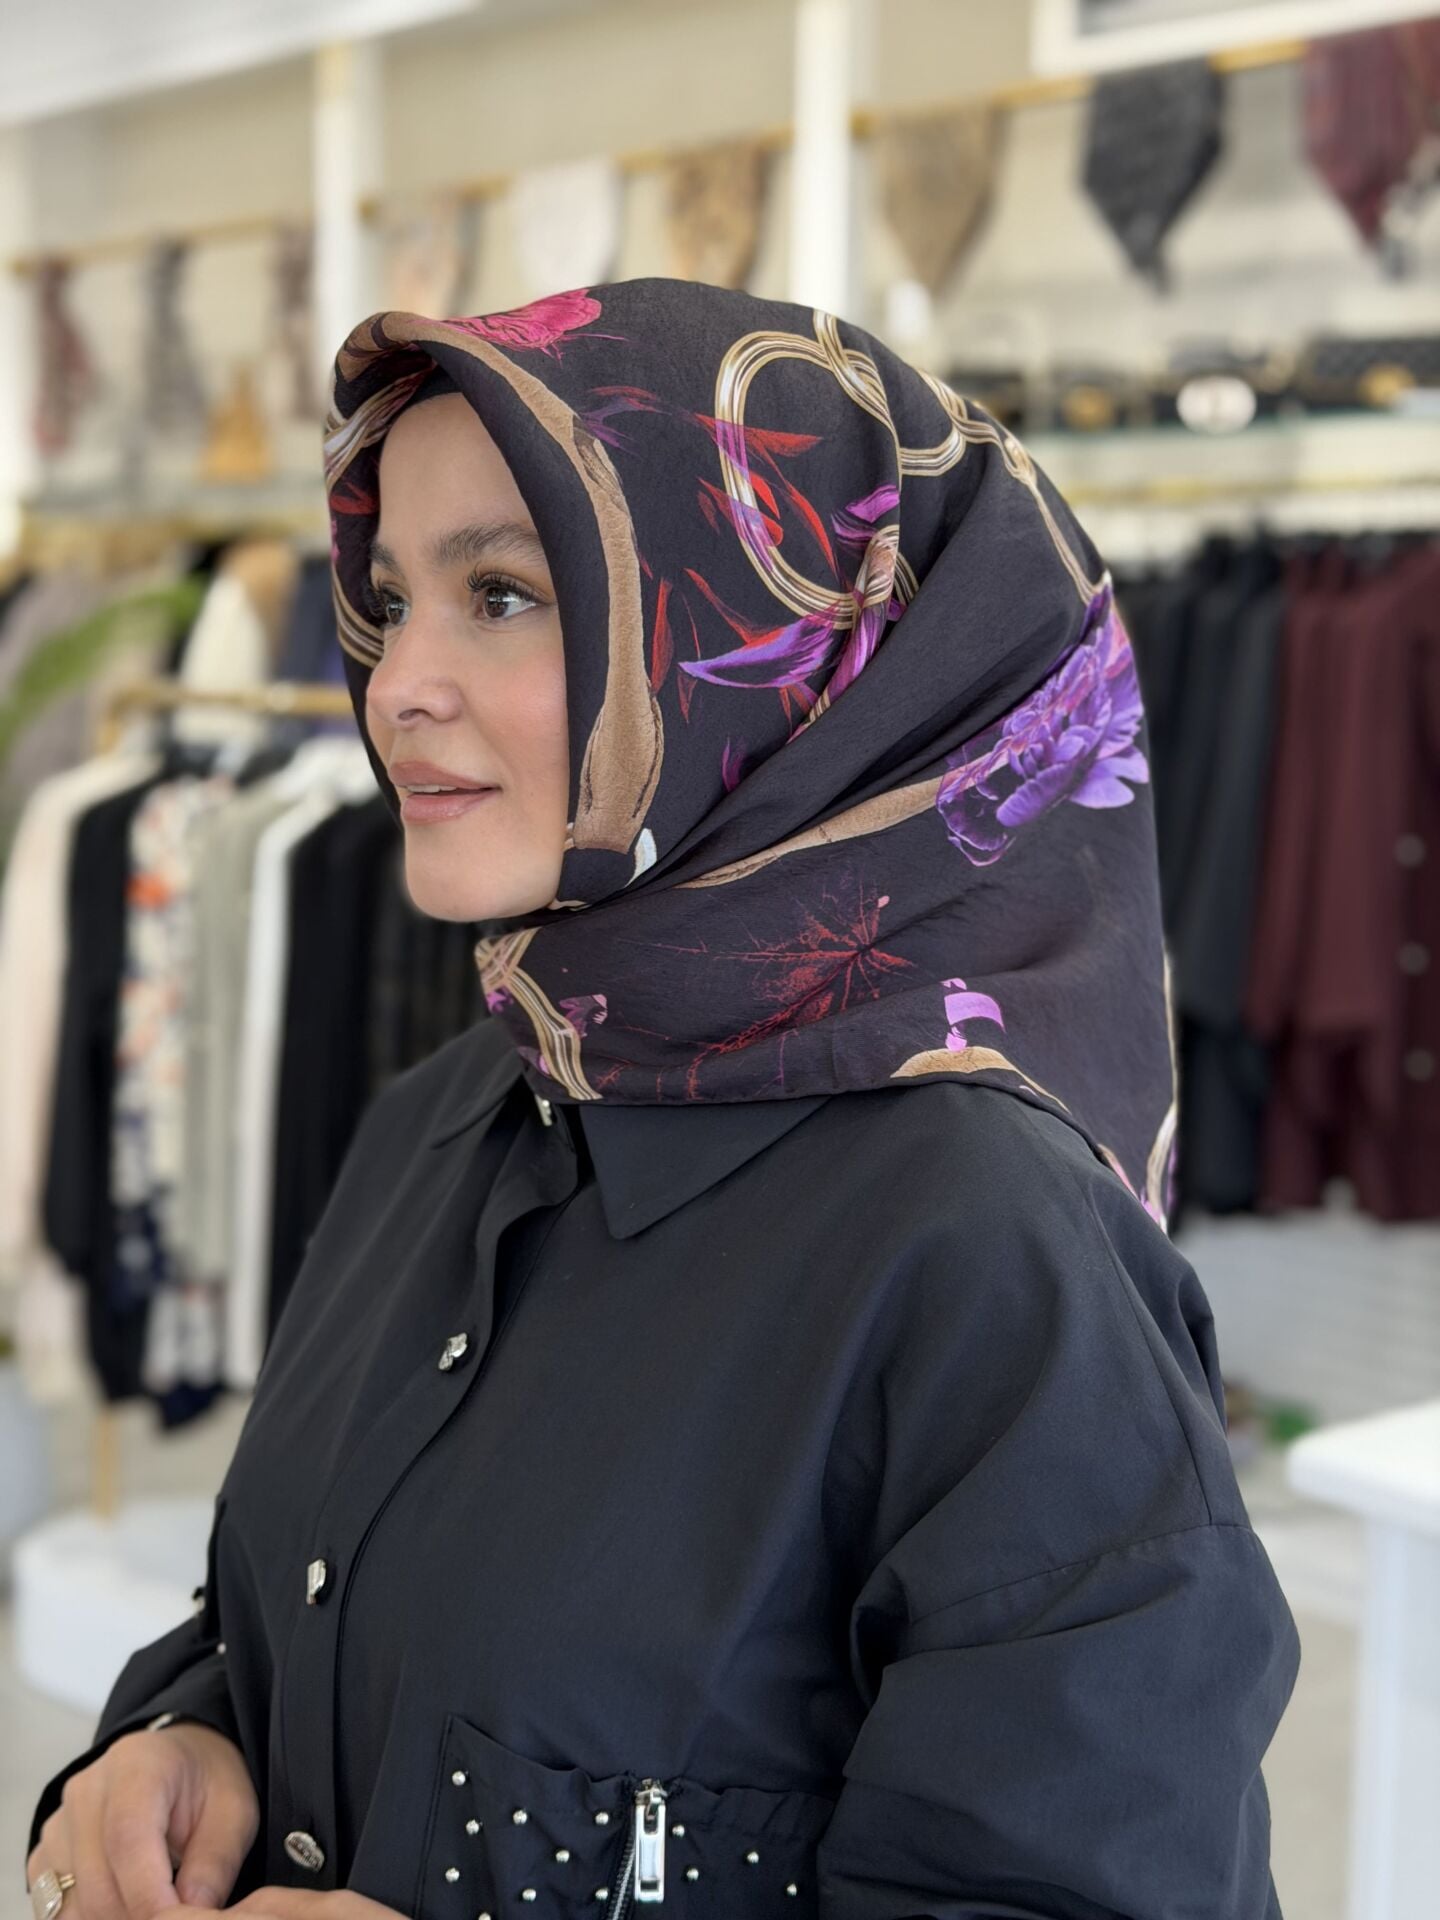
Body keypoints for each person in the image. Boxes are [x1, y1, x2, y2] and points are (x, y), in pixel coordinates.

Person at [27, 278, 1301, 1920]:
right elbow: (307, 1608)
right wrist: (185, 1734)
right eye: (393, 597)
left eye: (503, 592)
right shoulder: (454, 1112)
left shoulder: (996, 1257)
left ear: (776, 647)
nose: (395, 681)